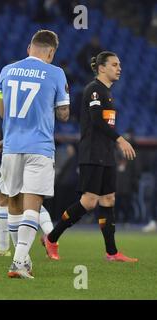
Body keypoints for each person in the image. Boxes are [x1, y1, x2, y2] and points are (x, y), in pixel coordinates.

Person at [44, 51, 138, 262]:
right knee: (88, 202)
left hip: (105, 153)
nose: (119, 68)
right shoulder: (94, 90)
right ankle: (51, 238)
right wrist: (120, 140)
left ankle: (112, 253)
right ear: (102, 68)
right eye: (114, 64)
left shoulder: (107, 93)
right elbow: (96, 121)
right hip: (92, 153)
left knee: (108, 199)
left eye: (119, 64)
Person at [0, 30, 70, 278]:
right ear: (51, 52)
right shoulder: (56, 73)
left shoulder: (6, 70)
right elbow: (63, 114)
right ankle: (18, 262)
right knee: (33, 204)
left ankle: (22, 259)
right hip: (39, 147)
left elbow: (3, 111)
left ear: (30, 48)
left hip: (11, 146)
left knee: (14, 203)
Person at [0, 141, 55, 258]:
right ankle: (51, 235)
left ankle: (6, 250)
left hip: (16, 149)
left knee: (6, 197)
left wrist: (5, 141)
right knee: (31, 198)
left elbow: (19, 126)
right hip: (43, 150)